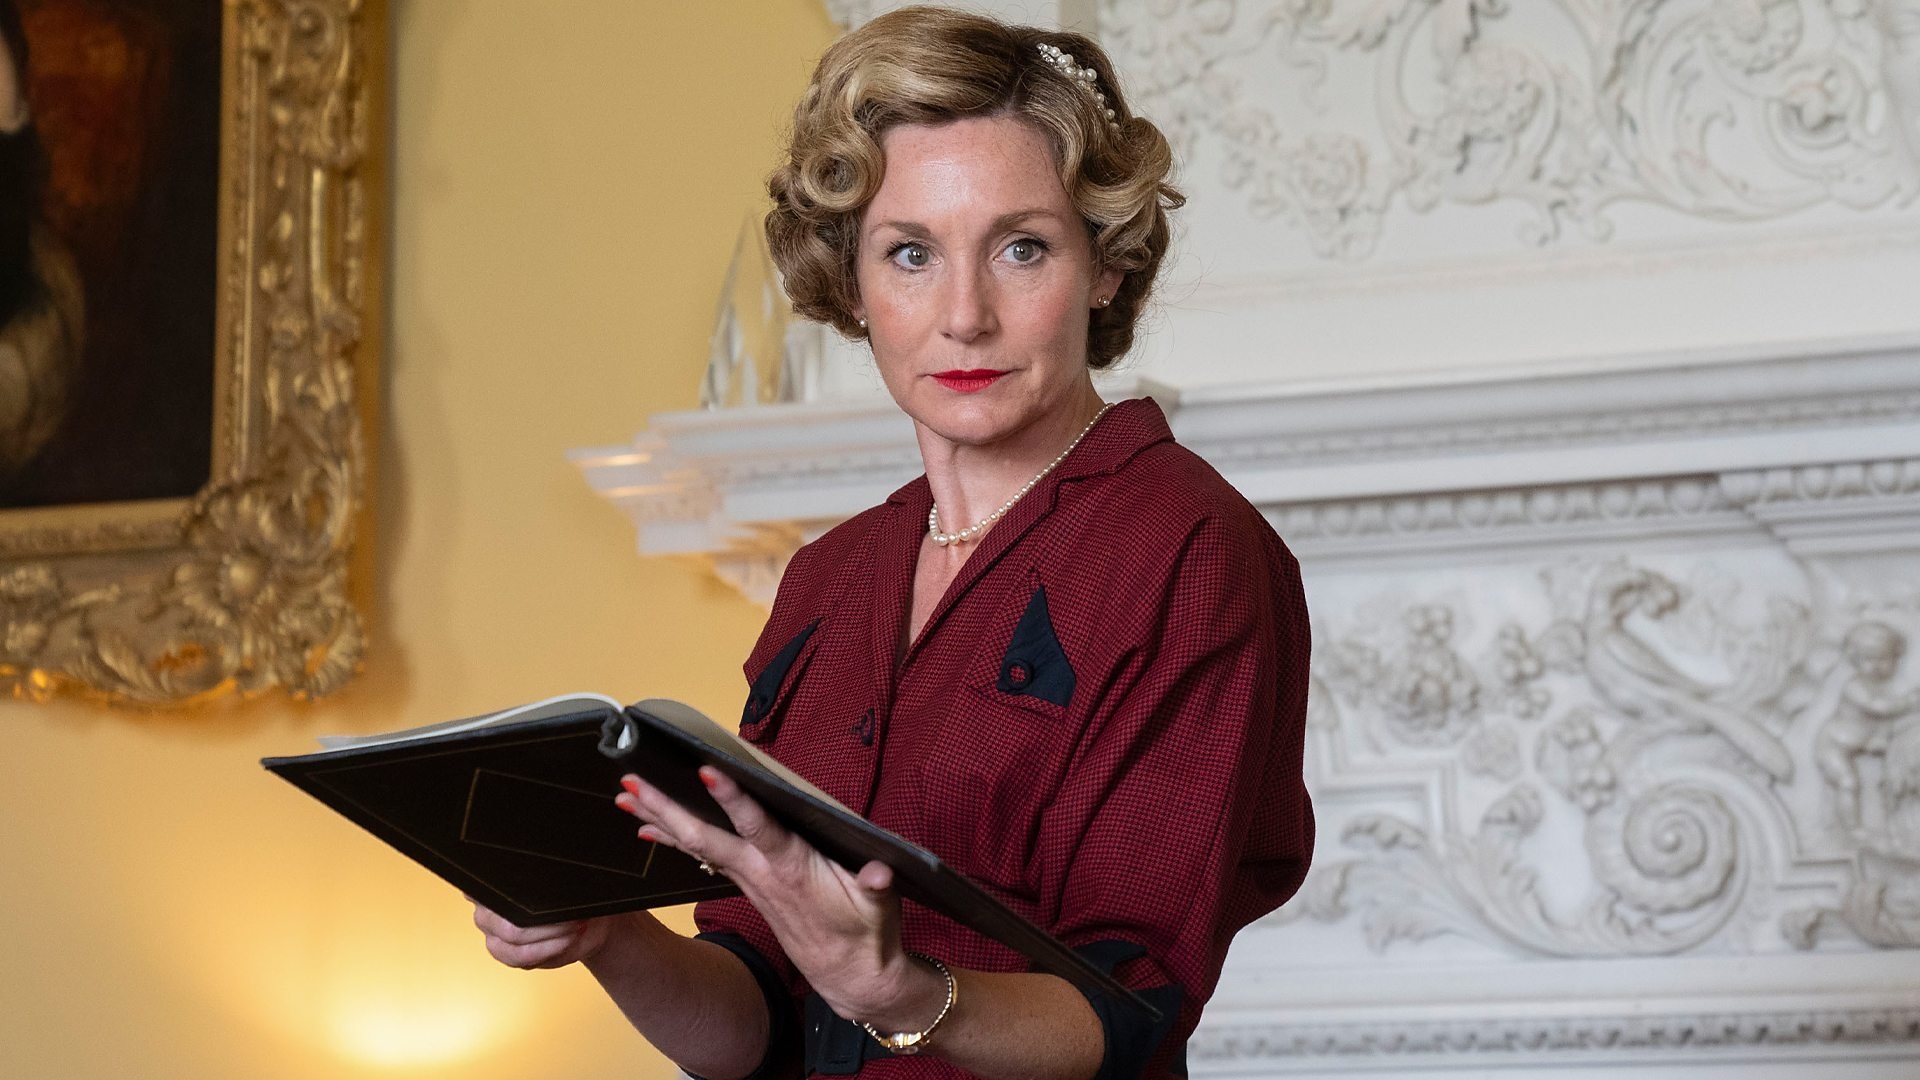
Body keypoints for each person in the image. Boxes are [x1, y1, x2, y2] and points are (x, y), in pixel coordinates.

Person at [473, 8, 1312, 1077]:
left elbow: (1128, 1014)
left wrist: (898, 992)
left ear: (1104, 265)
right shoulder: (829, 579)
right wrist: (608, 935)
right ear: (854, 284)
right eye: (910, 253)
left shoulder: (1191, 552)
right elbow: (753, 1031)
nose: (964, 315)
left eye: (1021, 247)